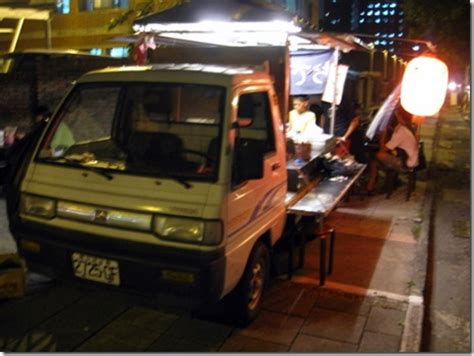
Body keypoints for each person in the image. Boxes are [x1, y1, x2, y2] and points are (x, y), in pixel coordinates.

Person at [4, 105, 51, 229]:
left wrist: (16, 142)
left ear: (39, 117)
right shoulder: (49, 129)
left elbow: (13, 152)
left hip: (21, 176)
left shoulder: (40, 130)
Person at [366, 105, 419, 194]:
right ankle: (370, 187)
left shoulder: (402, 131)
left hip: (406, 163)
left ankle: (375, 186)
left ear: (399, 116)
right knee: (374, 162)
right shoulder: (408, 127)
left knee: (378, 155)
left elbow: (383, 149)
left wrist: (383, 135)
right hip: (411, 160)